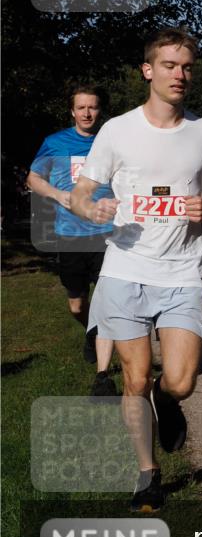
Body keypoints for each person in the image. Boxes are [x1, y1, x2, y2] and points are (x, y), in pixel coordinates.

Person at [71, 27, 202, 513]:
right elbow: (83, 191)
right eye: (169, 65)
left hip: (181, 272)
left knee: (180, 380)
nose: (180, 75)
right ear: (148, 70)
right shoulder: (117, 129)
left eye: (186, 67)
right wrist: (90, 208)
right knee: (133, 377)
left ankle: (168, 398)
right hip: (125, 269)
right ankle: (147, 472)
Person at [27, 86, 116, 396]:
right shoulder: (55, 143)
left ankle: (103, 375)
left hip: (107, 233)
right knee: (77, 305)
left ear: (99, 110)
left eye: (92, 107)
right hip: (70, 235)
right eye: (82, 108)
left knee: (108, 301)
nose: (87, 113)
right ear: (72, 111)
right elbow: (33, 178)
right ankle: (91, 332)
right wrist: (57, 194)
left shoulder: (112, 140)